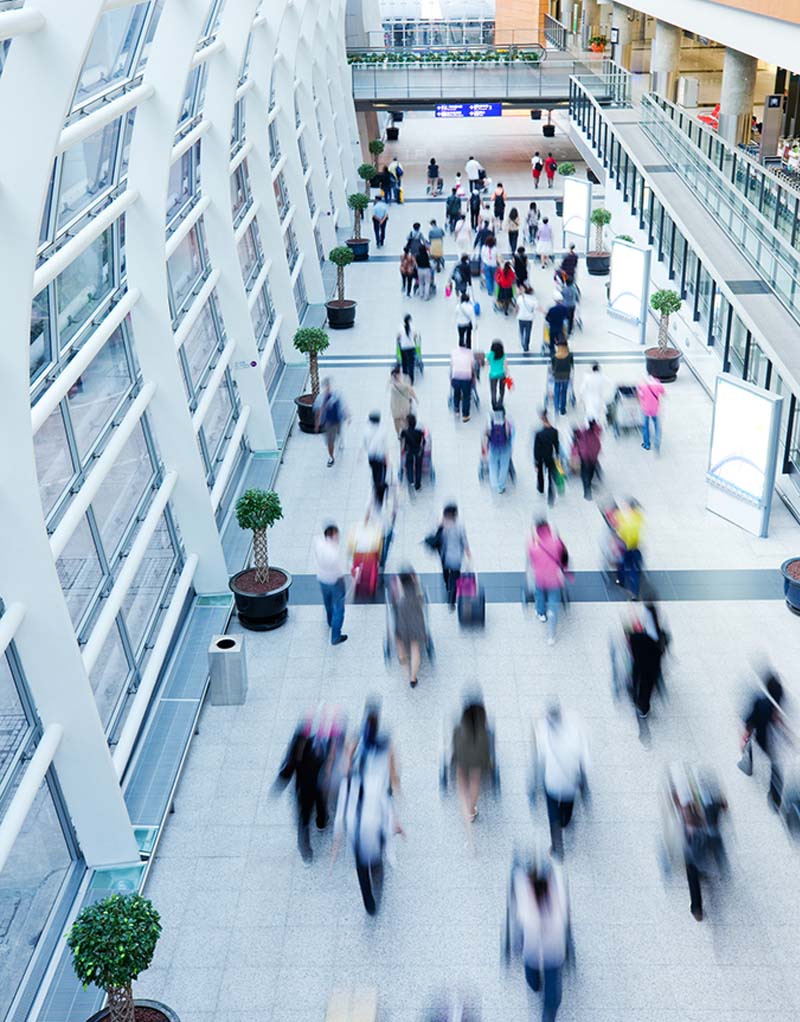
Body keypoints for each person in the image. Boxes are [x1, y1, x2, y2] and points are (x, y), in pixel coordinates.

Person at [333, 704, 402, 915]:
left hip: (358, 825)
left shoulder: (356, 737)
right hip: (378, 786)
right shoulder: (385, 739)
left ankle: (369, 902)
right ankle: (377, 869)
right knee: (376, 851)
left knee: (360, 864)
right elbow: (391, 767)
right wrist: (396, 783)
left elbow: (347, 761)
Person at [509, 853, 569, 1022]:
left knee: (532, 973)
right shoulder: (558, 900)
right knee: (552, 993)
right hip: (554, 951)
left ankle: (535, 986)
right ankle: (548, 1016)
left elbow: (519, 881)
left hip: (532, 949)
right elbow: (557, 872)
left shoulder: (526, 903)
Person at [533, 702, 589, 856]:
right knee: (568, 802)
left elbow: (539, 759)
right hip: (570, 781)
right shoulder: (574, 731)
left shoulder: (544, 733)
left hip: (552, 781)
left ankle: (557, 847)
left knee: (553, 811)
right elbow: (585, 759)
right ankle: (566, 820)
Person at [276, 715, 330, 862]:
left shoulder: (297, 751)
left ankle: (306, 853)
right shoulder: (318, 744)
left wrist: (278, 786)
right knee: (318, 808)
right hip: (317, 787)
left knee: (304, 820)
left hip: (304, 790)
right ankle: (321, 822)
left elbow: (286, 771)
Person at [452, 699, 493, 844]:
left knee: (462, 777)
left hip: (462, 758)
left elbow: (454, 748)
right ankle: (471, 811)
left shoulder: (458, 730)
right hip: (478, 759)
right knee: (475, 780)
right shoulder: (484, 735)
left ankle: (464, 803)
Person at [743, 673, 786, 810]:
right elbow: (776, 718)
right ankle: (775, 798)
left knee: (750, 745)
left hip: (761, 736)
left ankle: (747, 764)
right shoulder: (772, 703)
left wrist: (745, 736)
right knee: (776, 768)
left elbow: (750, 721)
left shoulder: (760, 702)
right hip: (766, 739)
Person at [528, 521, 568, 644]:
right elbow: (563, 556)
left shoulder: (533, 546)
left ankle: (540, 613)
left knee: (539, 593)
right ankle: (551, 635)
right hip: (554, 578)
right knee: (553, 603)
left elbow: (532, 561)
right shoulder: (556, 543)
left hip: (540, 577)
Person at [627, 601, 668, 720]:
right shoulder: (661, 636)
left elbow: (633, 647)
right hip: (651, 666)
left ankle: (636, 698)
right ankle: (642, 707)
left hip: (641, 662)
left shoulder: (638, 638)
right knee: (646, 685)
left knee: (638, 679)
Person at [313, 524, 348, 645]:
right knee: (339, 608)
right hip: (334, 582)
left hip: (322, 579)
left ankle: (329, 621)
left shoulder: (318, 542)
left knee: (327, 602)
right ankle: (335, 636)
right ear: (333, 535)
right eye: (337, 534)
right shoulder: (333, 552)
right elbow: (338, 571)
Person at [433, 503, 470, 608]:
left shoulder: (442, 524)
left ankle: (447, 584)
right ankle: (451, 600)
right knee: (455, 578)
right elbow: (463, 540)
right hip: (456, 557)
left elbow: (437, 538)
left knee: (445, 572)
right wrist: (468, 552)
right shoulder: (459, 526)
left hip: (444, 555)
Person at [393, 570, 427, 687]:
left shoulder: (399, 595)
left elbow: (395, 603)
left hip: (402, 623)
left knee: (401, 650)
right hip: (416, 624)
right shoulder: (417, 592)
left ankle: (406, 673)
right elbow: (422, 601)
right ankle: (413, 678)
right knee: (415, 649)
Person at [314, 377, 348, 467]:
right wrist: (317, 423)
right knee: (330, 441)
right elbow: (318, 411)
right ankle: (331, 457)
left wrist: (347, 415)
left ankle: (341, 439)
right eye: (326, 386)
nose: (327, 388)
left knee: (339, 432)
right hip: (328, 422)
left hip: (338, 419)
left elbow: (343, 405)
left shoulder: (336, 395)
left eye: (328, 386)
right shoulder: (321, 398)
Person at [614, 498, 644, 597]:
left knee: (623, 565)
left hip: (626, 547)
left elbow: (620, 531)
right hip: (635, 546)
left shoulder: (626, 521)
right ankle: (635, 591)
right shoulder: (639, 517)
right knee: (633, 568)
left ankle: (621, 581)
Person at [484, 406, 514, 493]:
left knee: (493, 465)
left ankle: (494, 482)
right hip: (505, 447)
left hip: (493, 446)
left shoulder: (490, 421)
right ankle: (501, 486)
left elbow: (486, 434)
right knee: (504, 466)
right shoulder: (508, 423)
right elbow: (511, 435)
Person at [534, 412, 560, 506]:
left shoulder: (539, 434)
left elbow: (536, 449)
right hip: (551, 457)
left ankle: (540, 488)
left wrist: (536, 461)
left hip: (541, 457)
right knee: (551, 477)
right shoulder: (554, 432)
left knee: (540, 473)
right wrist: (557, 455)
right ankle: (550, 498)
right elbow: (556, 445)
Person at [574, 420, 602, 500]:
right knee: (589, 473)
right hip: (591, 457)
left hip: (586, 457)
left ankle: (587, 490)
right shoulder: (593, 433)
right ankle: (587, 490)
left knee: (586, 474)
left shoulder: (586, 432)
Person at [637, 372, 665, 452]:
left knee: (645, 426)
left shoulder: (642, 385)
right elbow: (663, 393)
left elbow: (640, 396)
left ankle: (647, 444)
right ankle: (657, 442)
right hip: (655, 409)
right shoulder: (657, 383)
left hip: (645, 409)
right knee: (657, 426)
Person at [363, 410, 389, 493]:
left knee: (374, 471)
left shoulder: (366, 430)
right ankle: (380, 486)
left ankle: (376, 484)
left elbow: (365, 444)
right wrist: (386, 457)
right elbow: (385, 446)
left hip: (371, 456)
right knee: (382, 471)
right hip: (380, 456)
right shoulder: (382, 430)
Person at [388, 364, 416, 437]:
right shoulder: (404, 379)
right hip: (402, 404)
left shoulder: (392, 380)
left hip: (396, 404)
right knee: (401, 420)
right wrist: (415, 398)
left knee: (398, 420)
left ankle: (400, 434)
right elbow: (410, 389)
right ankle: (401, 434)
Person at [450, 338, 474, 422]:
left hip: (455, 376)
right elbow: (472, 365)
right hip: (466, 377)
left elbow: (452, 364)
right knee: (466, 396)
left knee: (456, 394)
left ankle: (456, 410)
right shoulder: (470, 353)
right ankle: (465, 415)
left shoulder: (454, 352)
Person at [400, 412, 425, 491]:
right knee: (418, 467)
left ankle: (411, 480)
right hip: (418, 451)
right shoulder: (420, 432)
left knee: (409, 464)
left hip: (409, 450)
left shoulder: (405, 432)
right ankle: (418, 485)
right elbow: (423, 441)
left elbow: (401, 439)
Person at [551, 340, 574, 417]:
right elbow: (572, 365)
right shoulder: (570, 355)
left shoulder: (554, 356)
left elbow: (552, 367)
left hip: (557, 376)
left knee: (556, 391)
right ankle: (563, 409)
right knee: (564, 392)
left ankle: (556, 408)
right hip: (566, 376)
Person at [486, 339, 507, 409]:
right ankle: (500, 402)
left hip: (492, 375)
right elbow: (505, 366)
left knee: (493, 390)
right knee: (502, 390)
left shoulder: (490, 355)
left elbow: (487, 363)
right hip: (502, 374)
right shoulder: (503, 355)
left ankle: (494, 403)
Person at [397, 313, 418, 383]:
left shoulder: (401, 327)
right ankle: (411, 380)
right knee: (411, 364)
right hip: (411, 347)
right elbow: (415, 336)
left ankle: (405, 378)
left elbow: (398, 336)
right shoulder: (413, 327)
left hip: (403, 348)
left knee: (404, 363)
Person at [518, 285, 537, 353]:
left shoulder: (520, 298)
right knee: (528, 333)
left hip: (521, 317)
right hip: (529, 318)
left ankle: (522, 343)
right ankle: (526, 346)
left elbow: (517, 306)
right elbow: (537, 307)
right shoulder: (533, 300)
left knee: (522, 331)